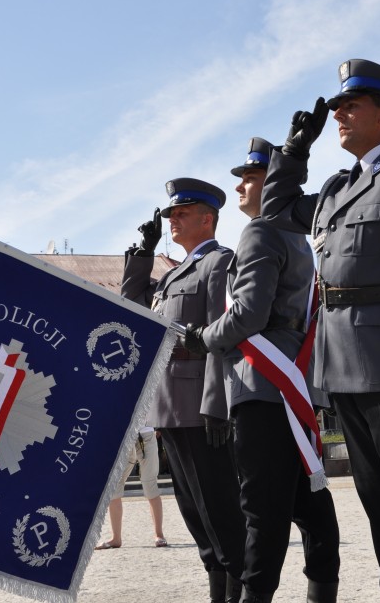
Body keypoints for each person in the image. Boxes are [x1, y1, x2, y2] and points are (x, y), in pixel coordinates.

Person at [262, 59, 380, 603]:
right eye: (338, 107)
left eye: (352, 106)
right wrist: (294, 150)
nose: (340, 114)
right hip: (342, 361)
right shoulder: (335, 188)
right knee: (374, 496)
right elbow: (274, 211)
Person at [183, 138, 341, 603]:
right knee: (307, 505)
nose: (240, 185)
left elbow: (248, 315)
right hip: (290, 381)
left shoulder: (259, 233)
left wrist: (202, 338)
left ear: (273, 183)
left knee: (261, 512)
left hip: (259, 383)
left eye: (249, 176)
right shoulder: (296, 236)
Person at [121, 178, 245, 603]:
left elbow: (219, 338)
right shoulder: (174, 273)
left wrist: (216, 404)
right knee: (197, 518)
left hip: (200, 409)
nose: (172, 219)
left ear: (207, 219)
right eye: (170, 214)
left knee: (221, 517)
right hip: (169, 408)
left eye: (181, 213)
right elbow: (133, 309)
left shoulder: (220, 264)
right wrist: (141, 255)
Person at [94, 426, 168, 550]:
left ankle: (159, 535)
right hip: (122, 436)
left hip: (146, 435)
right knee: (114, 487)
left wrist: (159, 425)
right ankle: (116, 538)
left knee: (150, 486)